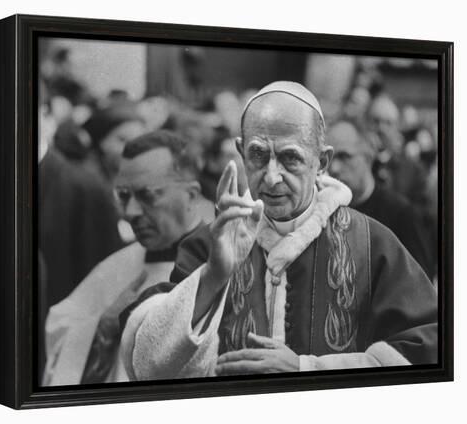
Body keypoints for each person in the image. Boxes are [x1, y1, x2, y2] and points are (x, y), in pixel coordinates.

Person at [119, 82, 437, 380]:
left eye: (289, 158)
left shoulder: (372, 243)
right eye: (258, 155)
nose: (271, 177)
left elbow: (430, 348)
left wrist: (306, 369)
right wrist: (212, 277)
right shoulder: (212, 243)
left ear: (322, 161)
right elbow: (146, 365)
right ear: (241, 151)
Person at [42, 130, 206, 386]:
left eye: (148, 195)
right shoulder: (114, 270)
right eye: (123, 195)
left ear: (191, 195)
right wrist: (105, 324)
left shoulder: (228, 264)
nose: (130, 212)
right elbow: (59, 331)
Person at [326, 119, 434, 279]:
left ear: (368, 155)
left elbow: (422, 283)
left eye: (344, 156)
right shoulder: (325, 212)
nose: (334, 168)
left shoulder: (400, 214)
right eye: (329, 158)